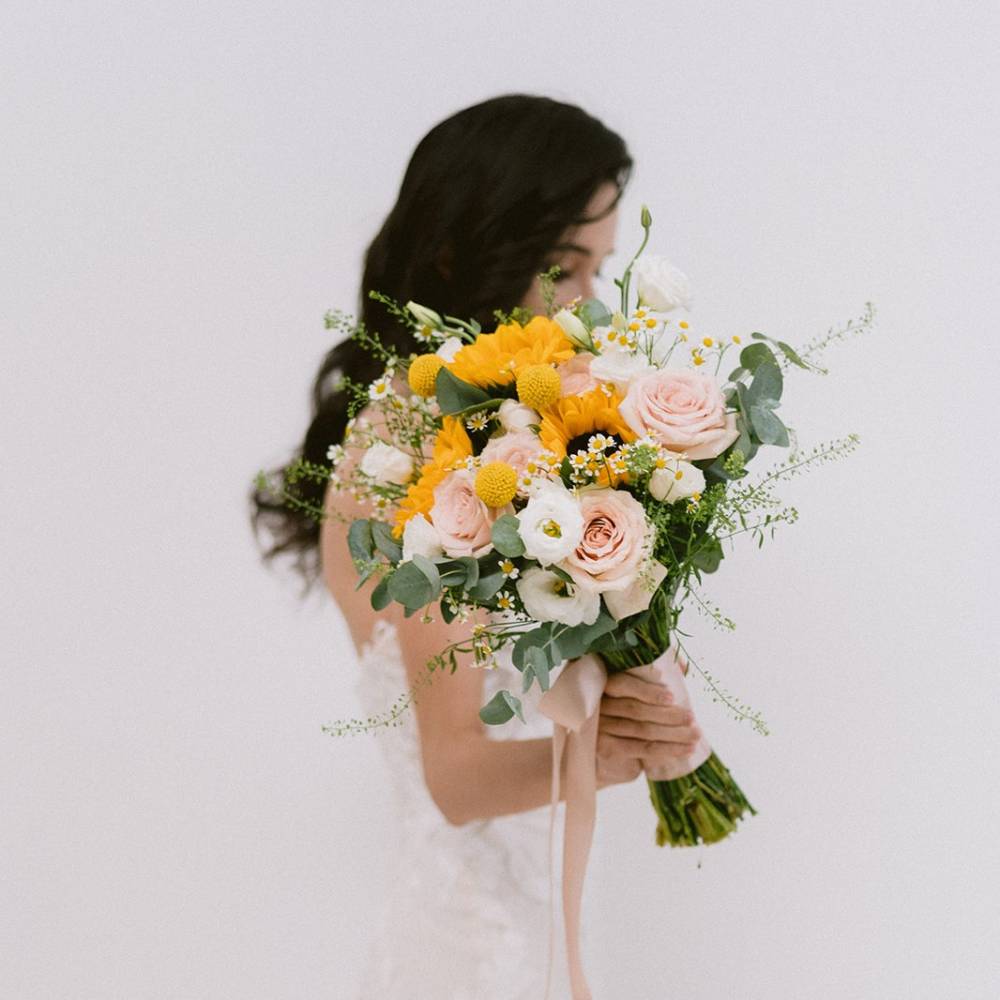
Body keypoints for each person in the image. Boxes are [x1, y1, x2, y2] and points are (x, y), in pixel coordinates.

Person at [251, 94, 703, 999]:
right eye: (562, 266)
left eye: (600, 268)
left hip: (529, 916)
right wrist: (614, 756)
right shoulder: (415, 449)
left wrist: (643, 677)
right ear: (463, 253)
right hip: (471, 949)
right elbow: (456, 774)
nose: (588, 303)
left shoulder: (497, 433)